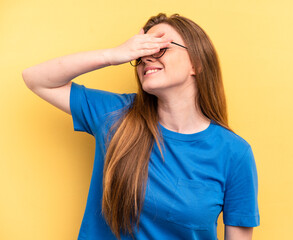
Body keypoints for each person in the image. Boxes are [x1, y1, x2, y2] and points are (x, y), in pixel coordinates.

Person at [22, 13, 259, 240]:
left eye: (159, 48)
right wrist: (114, 55)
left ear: (196, 63)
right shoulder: (116, 115)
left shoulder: (234, 153)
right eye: (141, 52)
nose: (145, 57)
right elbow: (36, 79)